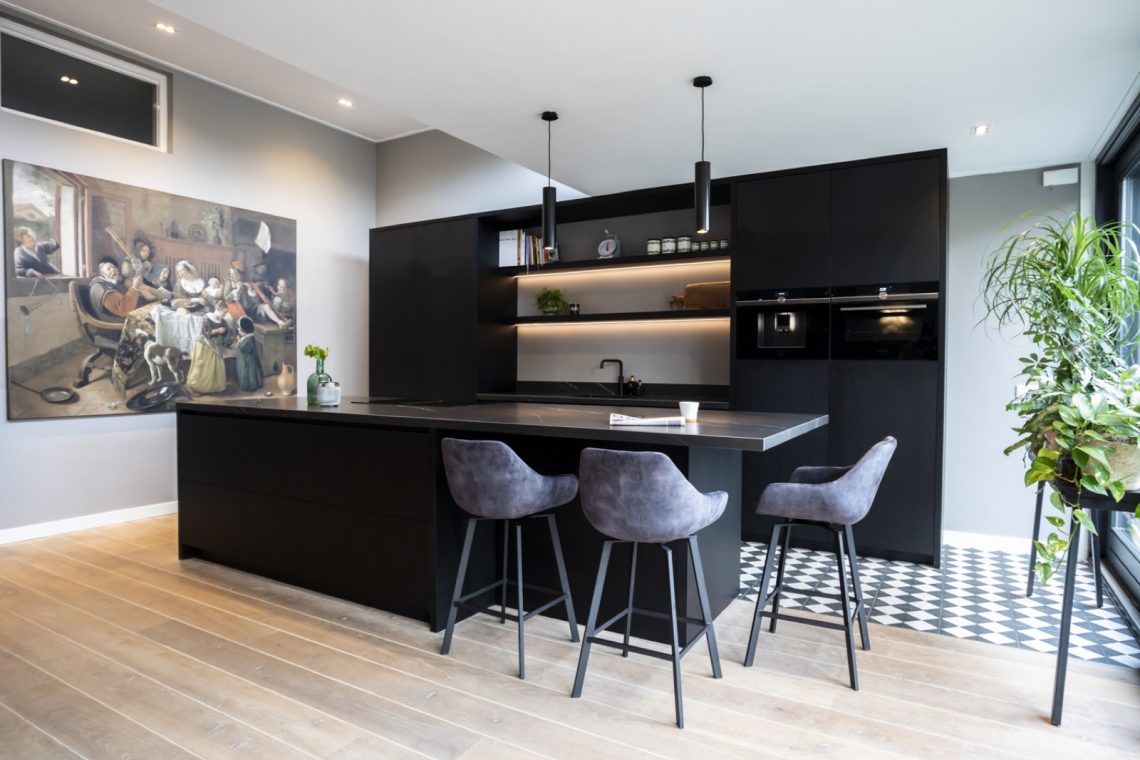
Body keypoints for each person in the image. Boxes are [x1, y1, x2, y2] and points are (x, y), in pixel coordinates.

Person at [87, 257, 161, 321]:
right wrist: (134, 286)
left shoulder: (115, 283)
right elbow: (124, 309)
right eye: (109, 269)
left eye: (114, 267)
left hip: (130, 316)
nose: (113, 270)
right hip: (116, 327)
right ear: (102, 274)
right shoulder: (100, 287)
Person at [185, 301, 230, 394]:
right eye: (224, 312)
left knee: (216, 368)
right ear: (218, 310)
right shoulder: (206, 318)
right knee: (202, 367)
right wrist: (218, 330)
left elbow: (226, 332)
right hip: (204, 346)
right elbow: (205, 333)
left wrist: (225, 333)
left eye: (226, 313)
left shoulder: (223, 321)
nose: (225, 315)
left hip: (216, 346)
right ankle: (197, 387)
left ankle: (213, 388)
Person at [235, 316, 263, 392]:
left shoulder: (248, 340)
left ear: (244, 332)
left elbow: (243, 348)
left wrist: (238, 342)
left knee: (248, 373)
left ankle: (249, 386)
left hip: (247, 361)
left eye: (240, 330)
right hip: (247, 359)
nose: (239, 332)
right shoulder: (248, 337)